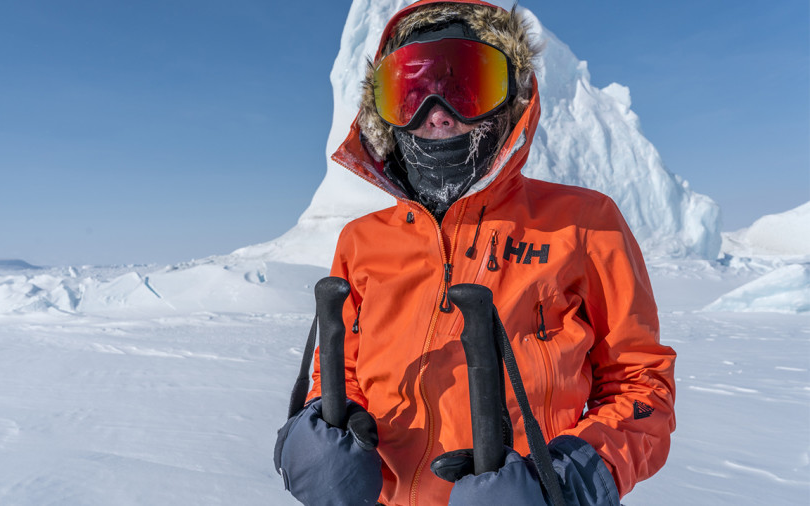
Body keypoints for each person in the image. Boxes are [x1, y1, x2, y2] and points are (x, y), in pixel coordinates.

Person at [274, 1, 676, 504]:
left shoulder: (584, 223)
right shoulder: (361, 241)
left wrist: (563, 482)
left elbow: (641, 387)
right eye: (410, 93)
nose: (437, 115)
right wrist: (322, 432)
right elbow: (342, 373)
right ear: (382, 111)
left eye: (466, 87)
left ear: (510, 98)